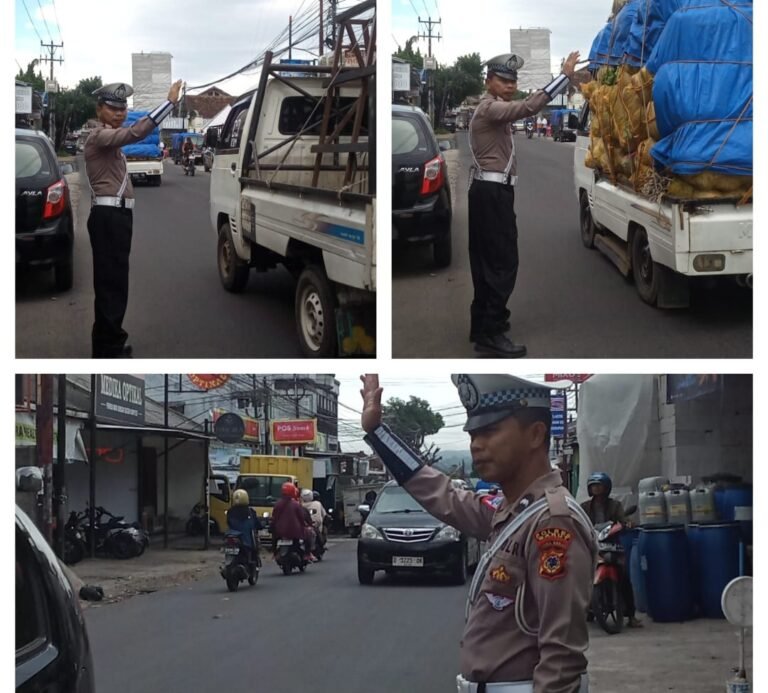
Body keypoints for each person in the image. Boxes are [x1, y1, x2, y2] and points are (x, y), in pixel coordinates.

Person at [360, 374, 596, 693]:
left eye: (489, 431)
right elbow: (441, 493)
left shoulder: (552, 522)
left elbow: (562, 658)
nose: (476, 445)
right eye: (473, 434)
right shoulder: (514, 511)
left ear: (536, 434)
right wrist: (377, 433)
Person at [467, 51, 579, 357]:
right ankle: (491, 334)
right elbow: (529, 106)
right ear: (489, 81)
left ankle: (483, 327)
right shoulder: (490, 109)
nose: (509, 86)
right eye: (503, 80)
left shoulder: (491, 109)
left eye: (512, 81)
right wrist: (564, 77)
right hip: (491, 195)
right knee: (502, 263)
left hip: (487, 192)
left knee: (486, 262)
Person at [84, 79, 183, 357]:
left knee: (114, 283)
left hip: (114, 216)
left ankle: (109, 342)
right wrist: (170, 104)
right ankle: (108, 350)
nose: (119, 113)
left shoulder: (108, 139)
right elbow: (136, 133)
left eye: (122, 108)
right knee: (111, 285)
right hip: (108, 216)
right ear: (100, 108)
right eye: (113, 108)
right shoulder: (99, 137)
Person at [580, 473, 642, 628]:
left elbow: (623, 518)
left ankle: (631, 616)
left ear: (606, 488)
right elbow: (579, 520)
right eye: (593, 486)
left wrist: (627, 523)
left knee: (624, 577)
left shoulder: (615, 505)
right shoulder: (585, 506)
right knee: (581, 575)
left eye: (599, 485)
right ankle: (586, 609)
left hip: (612, 544)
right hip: (593, 545)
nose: (596, 488)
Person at [271, 482, 312, 561]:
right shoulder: (296, 504)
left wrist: (273, 527)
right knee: (308, 534)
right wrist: (304, 525)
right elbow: (301, 517)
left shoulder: (277, 504)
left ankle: (275, 554)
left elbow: (274, 518)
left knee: (274, 538)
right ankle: (307, 554)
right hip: (295, 531)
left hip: (280, 531)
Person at [226, 489, 262, 565]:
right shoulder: (250, 512)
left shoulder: (230, 511)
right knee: (254, 548)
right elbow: (257, 524)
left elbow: (228, 523)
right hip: (246, 541)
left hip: (233, 538)